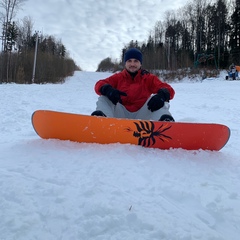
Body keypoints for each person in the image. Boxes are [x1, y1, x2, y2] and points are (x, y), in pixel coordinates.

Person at [91, 48, 175, 121]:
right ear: (125, 63)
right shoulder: (118, 77)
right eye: (129, 61)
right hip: (120, 115)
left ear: (140, 63)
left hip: (143, 117)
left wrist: (162, 95)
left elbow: (169, 90)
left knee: (160, 100)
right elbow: (99, 84)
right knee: (104, 97)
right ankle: (100, 122)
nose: (132, 64)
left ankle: (166, 125)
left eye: (136, 61)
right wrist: (108, 90)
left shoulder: (149, 78)